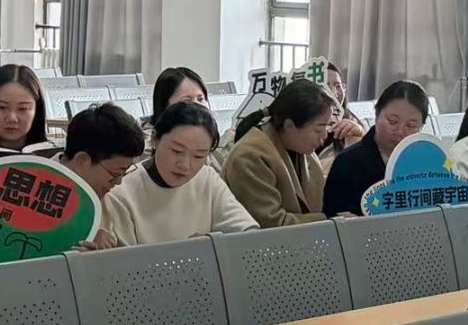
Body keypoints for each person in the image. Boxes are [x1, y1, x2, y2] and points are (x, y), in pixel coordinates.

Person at [102, 101, 256, 246]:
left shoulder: (207, 179)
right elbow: (127, 260)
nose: (185, 165)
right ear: (154, 139)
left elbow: (247, 233)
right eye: (176, 151)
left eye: (198, 156)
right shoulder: (121, 192)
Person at [225, 79, 335, 227]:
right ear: (289, 125)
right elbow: (271, 223)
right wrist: (329, 220)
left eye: (327, 127)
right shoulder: (250, 156)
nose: (325, 135)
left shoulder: (302, 148)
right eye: (319, 129)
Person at [322, 80, 429, 217]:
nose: (400, 131)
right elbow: (333, 216)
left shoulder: (428, 164)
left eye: (411, 126)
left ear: (422, 127)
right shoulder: (348, 162)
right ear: (377, 116)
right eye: (392, 121)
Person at [58, 103, 146, 251]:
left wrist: (106, 254)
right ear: (82, 161)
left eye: (124, 173)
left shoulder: (111, 201)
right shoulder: (33, 189)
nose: (118, 182)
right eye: (115, 173)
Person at [150, 66, 231, 179]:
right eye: (187, 101)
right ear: (164, 105)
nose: (196, 106)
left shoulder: (210, 138)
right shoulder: (148, 147)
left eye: (200, 99)